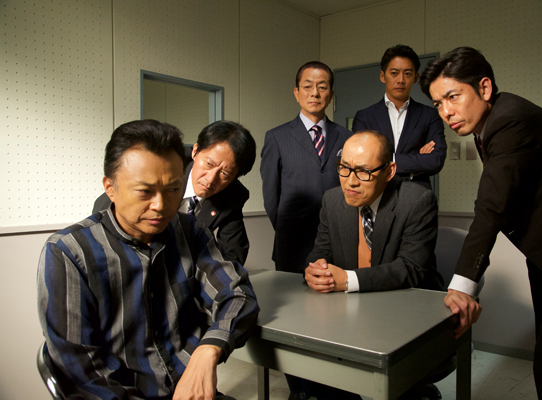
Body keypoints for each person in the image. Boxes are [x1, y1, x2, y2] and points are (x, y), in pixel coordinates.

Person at [420, 46, 542, 399]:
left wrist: (463, 285)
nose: (446, 112)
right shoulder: (492, 123)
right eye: (438, 103)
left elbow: (492, 206)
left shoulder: (510, 120)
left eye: (453, 97)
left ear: (484, 88)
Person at [38, 120, 259, 399]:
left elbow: (237, 294)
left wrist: (208, 349)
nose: (161, 206)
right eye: (145, 191)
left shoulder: (190, 230)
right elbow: (79, 372)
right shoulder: (69, 253)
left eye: (172, 190)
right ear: (110, 188)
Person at [93, 120, 256, 265]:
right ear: (195, 151)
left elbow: (233, 254)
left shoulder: (233, 195)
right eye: (209, 164)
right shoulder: (168, 165)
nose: (211, 179)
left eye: (225, 173)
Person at [305, 130, 443, 294]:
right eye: (344, 167)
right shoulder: (332, 200)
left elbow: (411, 267)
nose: (351, 182)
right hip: (348, 302)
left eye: (363, 171)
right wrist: (316, 269)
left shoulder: (417, 201)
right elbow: (322, 250)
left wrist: (348, 280)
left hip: (410, 300)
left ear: (389, 171)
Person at [261, 61, 352, 274]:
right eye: (307, 86)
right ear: (296, 93)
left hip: (337, 240)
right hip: (292, 243)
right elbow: (271, 196)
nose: (315, 93)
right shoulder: (277, 137)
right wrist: (287, 229)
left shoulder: (346, 137)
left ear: (331, 94)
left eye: (322, 87)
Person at [352, 44, 446, 189]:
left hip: (417, 194)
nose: (401, 80)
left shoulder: (430, 115)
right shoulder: (364, 117)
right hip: (378, 193)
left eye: (407, 74)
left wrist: (388, 159)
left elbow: (435, 160)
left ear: (415, 78)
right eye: (394, 73)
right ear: (383, 76)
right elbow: (361, 160)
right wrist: (418, 159)